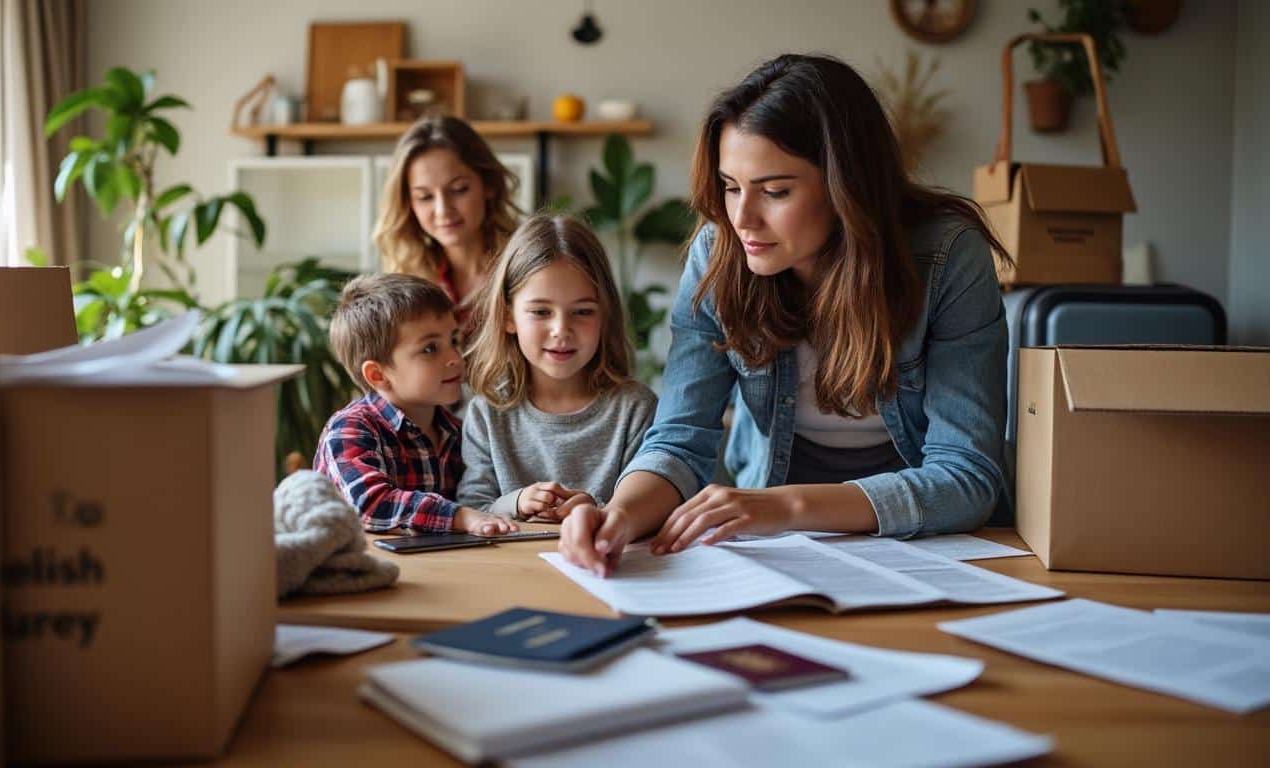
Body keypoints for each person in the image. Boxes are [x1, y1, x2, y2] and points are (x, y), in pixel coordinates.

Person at [559, 53, 1011, 577]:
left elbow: (967, 476)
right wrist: (618, 515)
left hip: (923, 542)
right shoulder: (717, 253)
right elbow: (681, 435)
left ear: (848, 186)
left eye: (775, 191)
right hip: (775, 544)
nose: (742, 219)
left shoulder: (947, 255)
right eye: (731, 187)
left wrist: (786, 507)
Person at [457, 214, 658, 521]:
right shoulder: (487, 414)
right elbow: (470, 510)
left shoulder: (635, 409)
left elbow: (652, 507)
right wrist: (519, 501)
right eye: (540, 311)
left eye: (582, 311)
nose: (561, 330)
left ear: (605, 316)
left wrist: (594, 509)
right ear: (508, 316)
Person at [314, 273, 519, 536]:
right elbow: (369, 503)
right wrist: (459, 516)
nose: (455, 357)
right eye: (430, 349)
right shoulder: (350, 429)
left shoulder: (457, 431)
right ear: (378, 375)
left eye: (453, 340)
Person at [374, 116, 522, 333]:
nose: (443, 210)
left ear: (489, 184)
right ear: (409, 205)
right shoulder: (407, 285)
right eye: (425, 197)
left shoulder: (524, 269)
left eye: (459, 189)